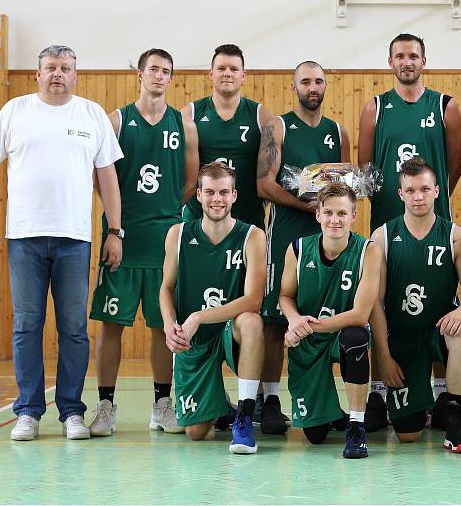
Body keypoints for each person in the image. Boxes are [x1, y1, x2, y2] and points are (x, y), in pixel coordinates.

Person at [0, 45, 123, 441]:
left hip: (75, 240)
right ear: (37, 74)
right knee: (26, 326)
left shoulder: (91, 114)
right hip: (24, 239)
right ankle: (28, 412)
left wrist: (114, 231)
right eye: (51, 67)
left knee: (73, 328)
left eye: (66, 68)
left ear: (76, 74)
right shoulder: (15, 112)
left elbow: (107, 177)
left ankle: (72, 411)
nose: (58, 73)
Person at [87, 49, 199, 437]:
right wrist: (116, 227)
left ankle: (162, 404)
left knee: (160, 325)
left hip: (165, 239)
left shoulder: (183, 123)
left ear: (171, 78)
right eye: (153, 69)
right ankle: (105, 406)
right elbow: (99, 179)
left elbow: (190, 181)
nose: (159, 76)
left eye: (166, 71)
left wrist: (167, 213)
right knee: (111, 325)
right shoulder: (117, 120)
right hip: (123, 239)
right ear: (140, 73)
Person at [358, 32, 461, 429]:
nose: (407, 62)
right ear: (390, 62)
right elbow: (367, 170)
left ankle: (440, 395)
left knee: (441, 306)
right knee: (379, 308)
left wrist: (425, 202)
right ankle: (377, 393)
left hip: (434, 226)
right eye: (400, 56)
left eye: (413, 55)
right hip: (387, 226)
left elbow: (451, 169)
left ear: (424, 60)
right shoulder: (374, 108)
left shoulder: (445, 107)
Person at [255, 61, 350, 434]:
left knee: (321, 318)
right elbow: (264, 184)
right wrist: (307, 205)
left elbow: (341, 184)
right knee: (275, 319)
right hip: (286, 233)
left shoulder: (336, 131)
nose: (313, 86)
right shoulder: (277, 127)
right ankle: (270, 399)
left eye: (319, 81)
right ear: (294, 86)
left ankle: (322, 401)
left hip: (326, 237)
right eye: (306, 81)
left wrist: (334, 207)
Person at [369, 157, 461, 453]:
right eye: (411, 190)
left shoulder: (457, 237)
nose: (418, 196)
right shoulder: (382, 237)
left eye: (424, 189)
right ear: (400, 194)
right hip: (401, 338)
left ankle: (456, 422)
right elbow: (375, 304)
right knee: (408, 435)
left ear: (437, 191)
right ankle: (420, 402)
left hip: (437, 333)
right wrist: (383, 356)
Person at [158, 162, 266, 453]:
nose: (216, 199)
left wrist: (198, 316)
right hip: (195, 340)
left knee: (253, 322)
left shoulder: (253, 236)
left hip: (232, 332)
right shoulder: (177, 235)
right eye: (210, 192)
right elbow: (166, 288)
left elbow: (254, 299)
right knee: (195, 432)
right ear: (198, 195)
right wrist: (170, 324)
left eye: (223, 192)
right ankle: (220, 410)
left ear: (234, 196)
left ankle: (244, 415)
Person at [279, 183, 383, 459]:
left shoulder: (368, 251)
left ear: (353, 215)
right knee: (315, 435)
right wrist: (293, 320)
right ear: (318, 215)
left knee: (356, 337)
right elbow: (285, 296)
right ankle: (332, 413)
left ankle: (356, 425)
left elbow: (360, 315)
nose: (335, 220)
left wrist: (304, 327)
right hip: (309, 340)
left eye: (341, 213)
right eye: (328, 213)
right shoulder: (298, 249)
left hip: (337, 334)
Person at [182, 44, 273, 229]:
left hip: (247, 220)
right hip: (198, 219)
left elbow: (271, 172)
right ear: (211, 74)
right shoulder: (189, 114)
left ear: (243, 75)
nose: (227, 73)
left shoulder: (261, 115)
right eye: (221, 68)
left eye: (234, 69)